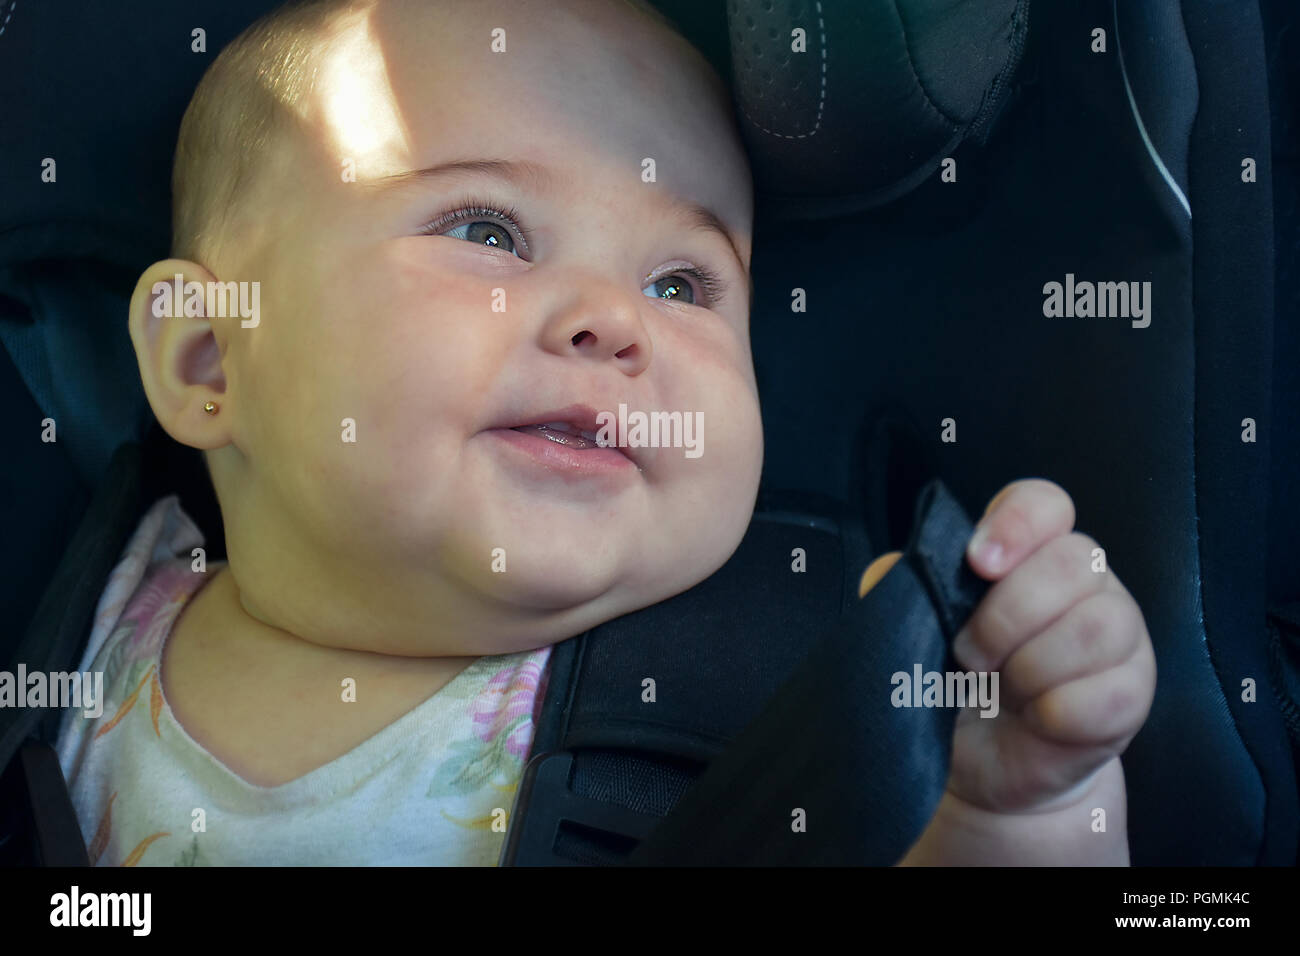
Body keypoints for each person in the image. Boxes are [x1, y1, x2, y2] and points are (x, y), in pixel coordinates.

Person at [56, 0, 1155, 866]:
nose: (614, 319)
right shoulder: (76, 624)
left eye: (683, 282)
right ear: (211, 356)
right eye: (487, 229)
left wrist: (1013, 806)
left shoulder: (795, 696)